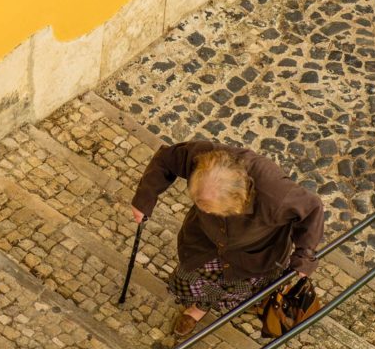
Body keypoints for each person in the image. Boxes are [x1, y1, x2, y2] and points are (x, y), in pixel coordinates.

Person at [131, 140, 325, 338]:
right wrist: (144, 199)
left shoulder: (276, 193)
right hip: (203, 245)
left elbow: (312, 209)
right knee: (192, 278)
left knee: (238, 288)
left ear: (239, 198)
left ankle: (222, 304)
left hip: (253, 256)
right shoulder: (202, 157)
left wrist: (304, 256)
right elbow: (166, 159)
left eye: (213, 210)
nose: (204, 211)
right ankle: (199, 305)